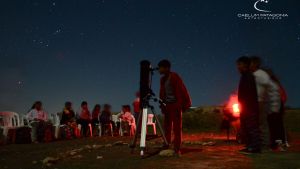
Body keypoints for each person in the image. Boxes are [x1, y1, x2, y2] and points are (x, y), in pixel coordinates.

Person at [158, 59, 192, 155]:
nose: (159, 70)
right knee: (167, 126)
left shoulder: (174, 76)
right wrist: (162, 104)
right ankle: (166, 143)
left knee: (177, 127)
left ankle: (177, 147)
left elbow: (181, 89)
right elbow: (162, 93)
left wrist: (183, 104)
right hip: (167, 105)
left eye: (160, 68)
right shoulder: (162, 79)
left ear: (167, 68)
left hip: (175, 105)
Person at [237, 56, 261, 154]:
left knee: (252, 128)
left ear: (245, 65)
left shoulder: (248, 76)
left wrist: (247, 107)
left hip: (249, 108)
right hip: (245, 107)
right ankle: (250, 146)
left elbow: (249, 94)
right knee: (247, 128)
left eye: (239, 64)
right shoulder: (244, 76)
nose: (238, 67)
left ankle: (255, 148)